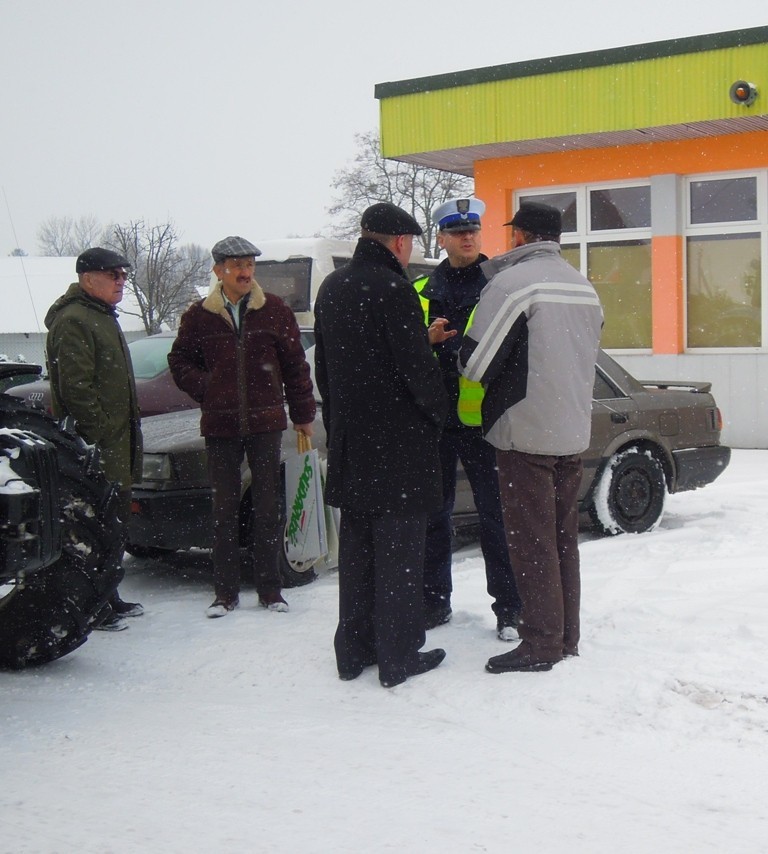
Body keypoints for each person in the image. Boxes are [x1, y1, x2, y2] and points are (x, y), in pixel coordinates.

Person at [458, 202, 603, 673]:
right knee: (562, 539)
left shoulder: (513, 284)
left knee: (530, 542)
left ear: (520, 235)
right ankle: (566, 636)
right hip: (570, 430)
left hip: (524, 432)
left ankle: (540, 643)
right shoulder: (583, 287)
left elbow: (476, 363)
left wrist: (451, 343)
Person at [314, 202, 448, 688]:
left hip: (353, 443)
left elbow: (324, 368)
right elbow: (415, 370)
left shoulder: (333, 287)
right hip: (399, 448)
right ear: (398, 242)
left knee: (357, 552)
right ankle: (398, 656)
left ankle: (353, 651)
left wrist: (341, 418)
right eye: (409, 243)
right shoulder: (394, 289)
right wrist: (439, 415)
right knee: (399, 554)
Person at [168, 236, 315, 618]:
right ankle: (225, 593)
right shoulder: (199, 315)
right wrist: (206, 387)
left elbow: (296, 366)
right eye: (237, 266)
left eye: (250, 265)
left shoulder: (275, 311)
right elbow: (179, 360)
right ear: (219, 271)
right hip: (220, 426)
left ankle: (270, 590)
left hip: (266, 424)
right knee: (224, 509)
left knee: (267, 508)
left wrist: (302, 416)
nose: (246, 272)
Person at [413, 197, 522, 639]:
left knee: (497, 519)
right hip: (436, 423)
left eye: (472, 230)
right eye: (458, 232)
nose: (467, 237)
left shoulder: (503, 284)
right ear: (441, 239)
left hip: (486, 424)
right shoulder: (419, 290)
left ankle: (510, 609)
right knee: (433, 518)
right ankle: (434, 604)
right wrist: (428, 342)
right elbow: (405, 356)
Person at [45, 247, 144, 631]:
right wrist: (100, 432)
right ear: (88, 279)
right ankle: (92, 603)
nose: (121, 281)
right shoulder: (75, 320)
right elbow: (76, 388)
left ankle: (108, 595)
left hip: (116, 442)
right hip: (94, 447)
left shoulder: (102, 316)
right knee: (93, 526)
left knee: (113, 523)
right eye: (113, 274)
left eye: (123, 275)